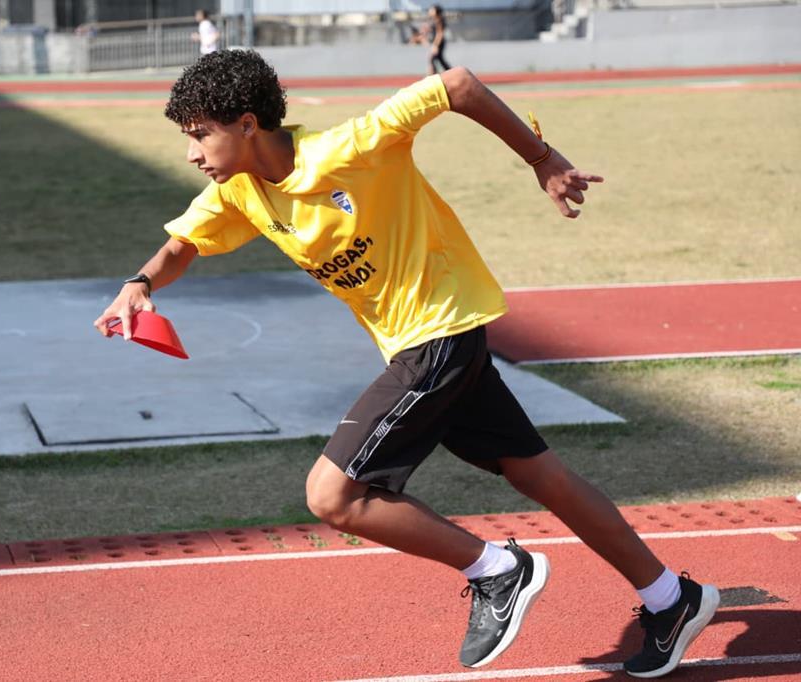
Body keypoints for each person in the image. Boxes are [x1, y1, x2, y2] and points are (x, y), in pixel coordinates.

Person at [93, 49, 719, 676]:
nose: (193, 153)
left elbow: (457, 84)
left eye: (201, 134)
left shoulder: (350, 148)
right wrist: (139, 282)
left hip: (439, 333)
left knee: (333, 496)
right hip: (422, 343)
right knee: (541, 476)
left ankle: (498, 570)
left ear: (249, 123)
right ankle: (671, 598)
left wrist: (542, 158)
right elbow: (182, 243)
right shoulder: (238, 191)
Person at [411, 4, 451, 75]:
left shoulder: (440, 20)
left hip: (439, 43)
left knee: (433, 59)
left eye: (432, 10)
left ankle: (434, 75)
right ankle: (450, 73)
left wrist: (435, 45)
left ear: (436, 11)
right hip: (438, 43)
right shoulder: (435, 20)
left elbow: (439, 34)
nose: (430, 11)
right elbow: (431, 30)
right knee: (439, 59)